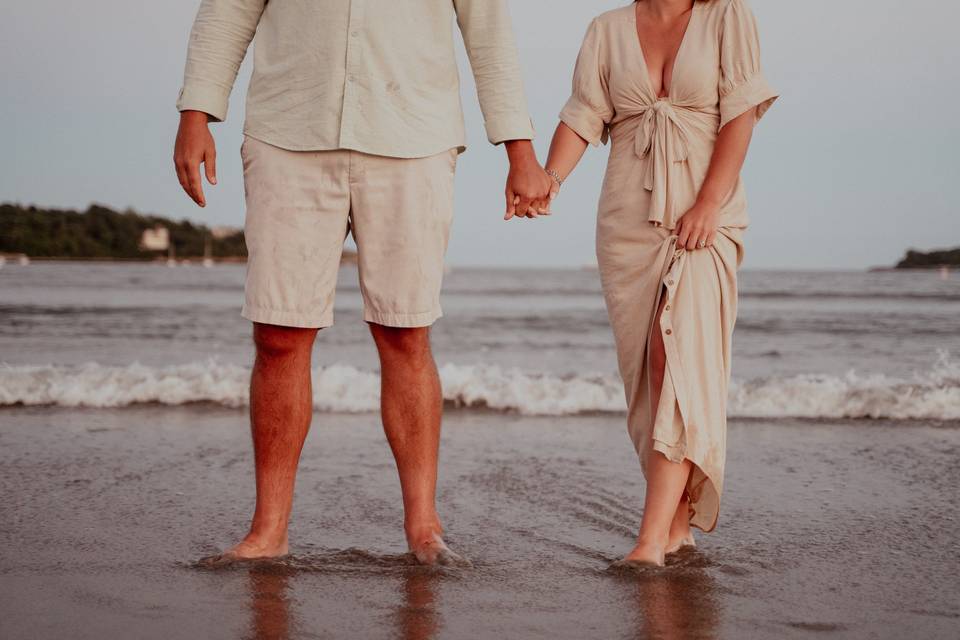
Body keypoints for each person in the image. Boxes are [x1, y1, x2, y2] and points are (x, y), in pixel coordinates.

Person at [173, 0, 553, 565]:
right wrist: (196, 112)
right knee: (278, 335)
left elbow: (488, 30)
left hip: (414, 137)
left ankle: (424, 527)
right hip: (288, 131)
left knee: (405, 333)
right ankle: (268, 530)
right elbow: (228, 10)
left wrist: (519, 149)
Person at [542, 0, 777, 566]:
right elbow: (582, 117)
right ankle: (675, 524)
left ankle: (648, 544)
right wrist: (547, 181)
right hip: (627, 225)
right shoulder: (606, 30)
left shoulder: (728, 17)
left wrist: (708, 202)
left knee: (677, 362)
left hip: (706, 217)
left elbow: (741, 115)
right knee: (647, 377)